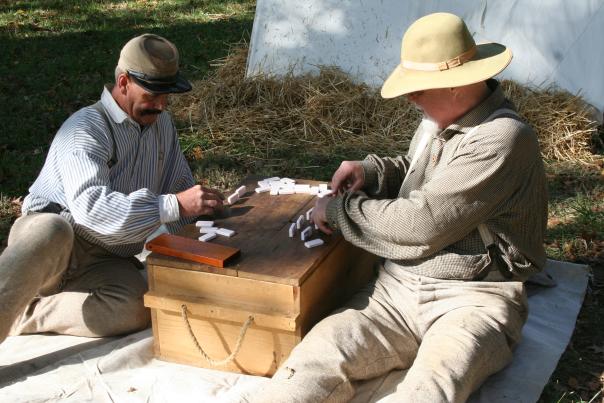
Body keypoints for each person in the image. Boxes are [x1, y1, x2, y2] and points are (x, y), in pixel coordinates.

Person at [246, 12, 547, 402]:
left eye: (419, 89)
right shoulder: (440, 121)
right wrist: (372, 173)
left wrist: (339, 211)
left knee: (428, 390)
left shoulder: (504, 138)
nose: (410, 98)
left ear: (456, 84)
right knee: (308, 366)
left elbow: (423, 223)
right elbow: (426, 173)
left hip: (472, 297)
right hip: (396, 290)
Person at [0, 34, 224, 343]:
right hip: (54, 247)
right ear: (123, 83)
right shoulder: (85, 128)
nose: (161, 104)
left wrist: (212, 217)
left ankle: (26, 314)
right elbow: (92, 210)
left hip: (106, 256)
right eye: (153, 94)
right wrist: (174, 205)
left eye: (167, 94)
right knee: (50, 229)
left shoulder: (162, 125)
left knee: (137, 308)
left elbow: (180, 188)